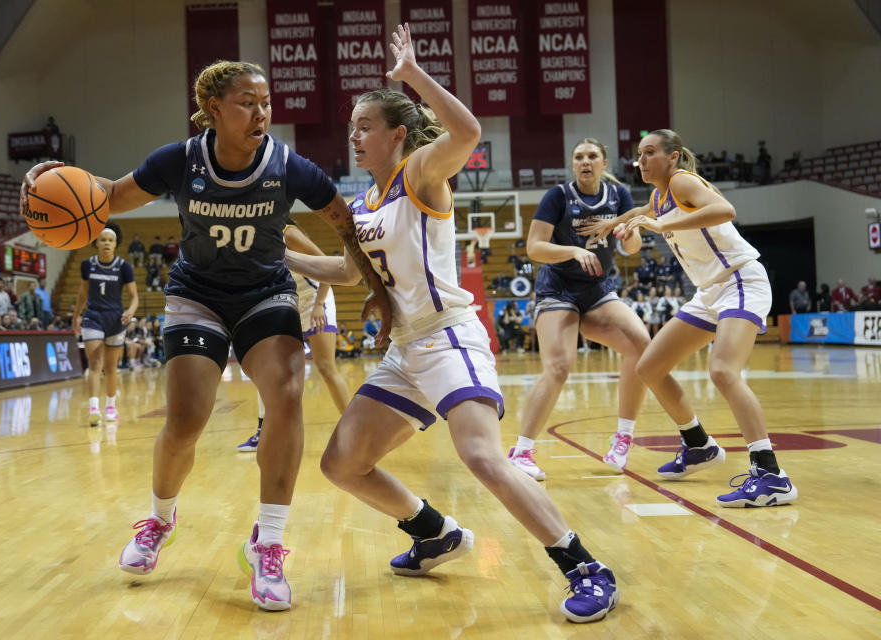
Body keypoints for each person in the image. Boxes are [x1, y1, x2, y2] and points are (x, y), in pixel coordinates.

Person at [20, 58, 391, 611]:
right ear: (214, 109)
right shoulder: (179, 160)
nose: (261, 112)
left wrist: (376, 288)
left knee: (286, 399)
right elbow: (112, 197)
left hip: (265, 292)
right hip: (197, 295)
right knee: (186, 419)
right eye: (248, 102)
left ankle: (269, 542)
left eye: (266, 102)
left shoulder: (288, 166)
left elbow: (343, 220)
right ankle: (160, 520)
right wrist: (55, 178)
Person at [316, 24, 618, 624]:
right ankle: (433, 533)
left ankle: (585, 565)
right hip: (406, 349)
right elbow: (348, 274)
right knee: (341, 463)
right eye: (351, 126)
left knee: (481, 455)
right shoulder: (363, 203)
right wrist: (273, 254)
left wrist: (412, 75)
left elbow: (470, 132)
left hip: (449, 335)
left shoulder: (422, 173)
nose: (353, 135)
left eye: (364, 126)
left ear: (396, 134)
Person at [599, 128, 797, 507]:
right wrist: (613, 224)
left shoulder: (682, 181)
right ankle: (698, 445)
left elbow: (725, 209)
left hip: (740, 280)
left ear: (672, 157)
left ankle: (771, 475)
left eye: (650, 152)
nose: (641, 160)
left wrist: (659, 225)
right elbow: (640, 213)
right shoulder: (659, 196)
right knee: (650, 366)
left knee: (722, 370)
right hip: (709, 293)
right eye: (639, 154)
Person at [508, 137, 689, 482]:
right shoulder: (558, 196)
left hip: (598, 291)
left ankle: (623, 437)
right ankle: (522, 450)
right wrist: (572, 251)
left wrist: (627, 234)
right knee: (559, 367)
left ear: (604, 162)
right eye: (579, 157)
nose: (585, 162)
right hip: (558, 290)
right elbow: (534, 248)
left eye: (592, 156)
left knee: (641, 348)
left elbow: (632, 248)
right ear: (573, 164)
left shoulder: (619, 196)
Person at [237, 222, 357, 452]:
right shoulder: (250, 240)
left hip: (316, 298)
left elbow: (329, 267)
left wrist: (320, 304)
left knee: (325, 366)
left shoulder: (288, 233)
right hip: (289, 301)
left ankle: (355, 429)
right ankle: (264, 431)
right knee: (267, 367)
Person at [71, 223, 138, 425]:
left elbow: (134, 296)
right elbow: (83, 293)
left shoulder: (124, 267)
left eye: (110, 240)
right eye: (103, 240)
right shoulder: (87, 265)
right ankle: (93, 409)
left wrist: (130, 311)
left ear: (116, 243)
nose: (107, 243)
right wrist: (76, 315)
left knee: (111, 367)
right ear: (96, 243)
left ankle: (110, 406)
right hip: (93, 317)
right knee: (94, 364)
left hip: (116, 319)